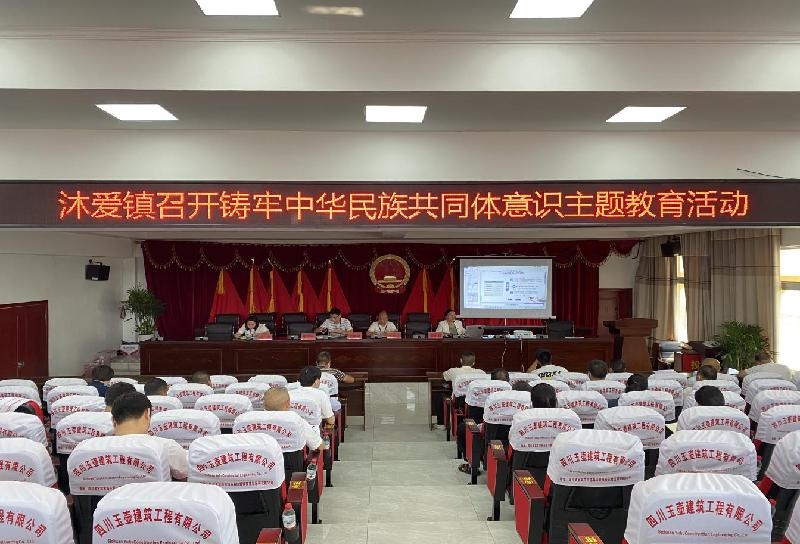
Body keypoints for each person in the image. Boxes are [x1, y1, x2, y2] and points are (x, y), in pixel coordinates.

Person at [111, 392, 188, 480]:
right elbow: (185, 480)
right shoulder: (168, 447)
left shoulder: (98, 447)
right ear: (146, 413)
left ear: (113, 420)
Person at [263, 386, 325, 452]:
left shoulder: (255, 420)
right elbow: (319, 446)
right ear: (287, 404)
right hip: (292, 458)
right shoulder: (294, 420)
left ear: (264, 405)